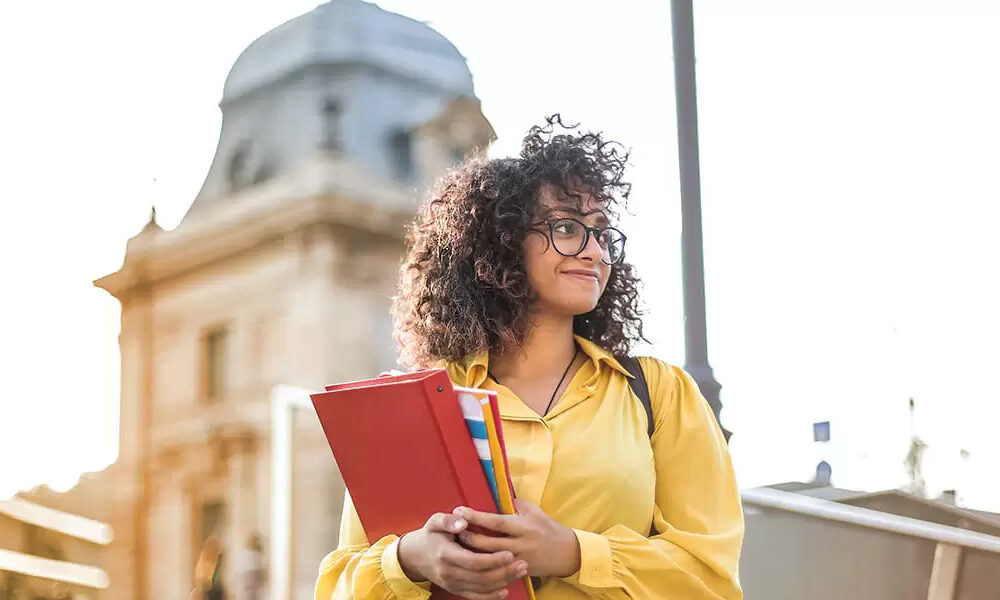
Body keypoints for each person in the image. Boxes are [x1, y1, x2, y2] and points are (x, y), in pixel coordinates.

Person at [314, 115, 743, 599]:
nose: (594, 252)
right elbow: (337, 587)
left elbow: (711, 579)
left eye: (601, 232)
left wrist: (572, 552)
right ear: (502, 241)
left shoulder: (660, 395)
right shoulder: (417, 405)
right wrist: (410, 559)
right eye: (566, 226)